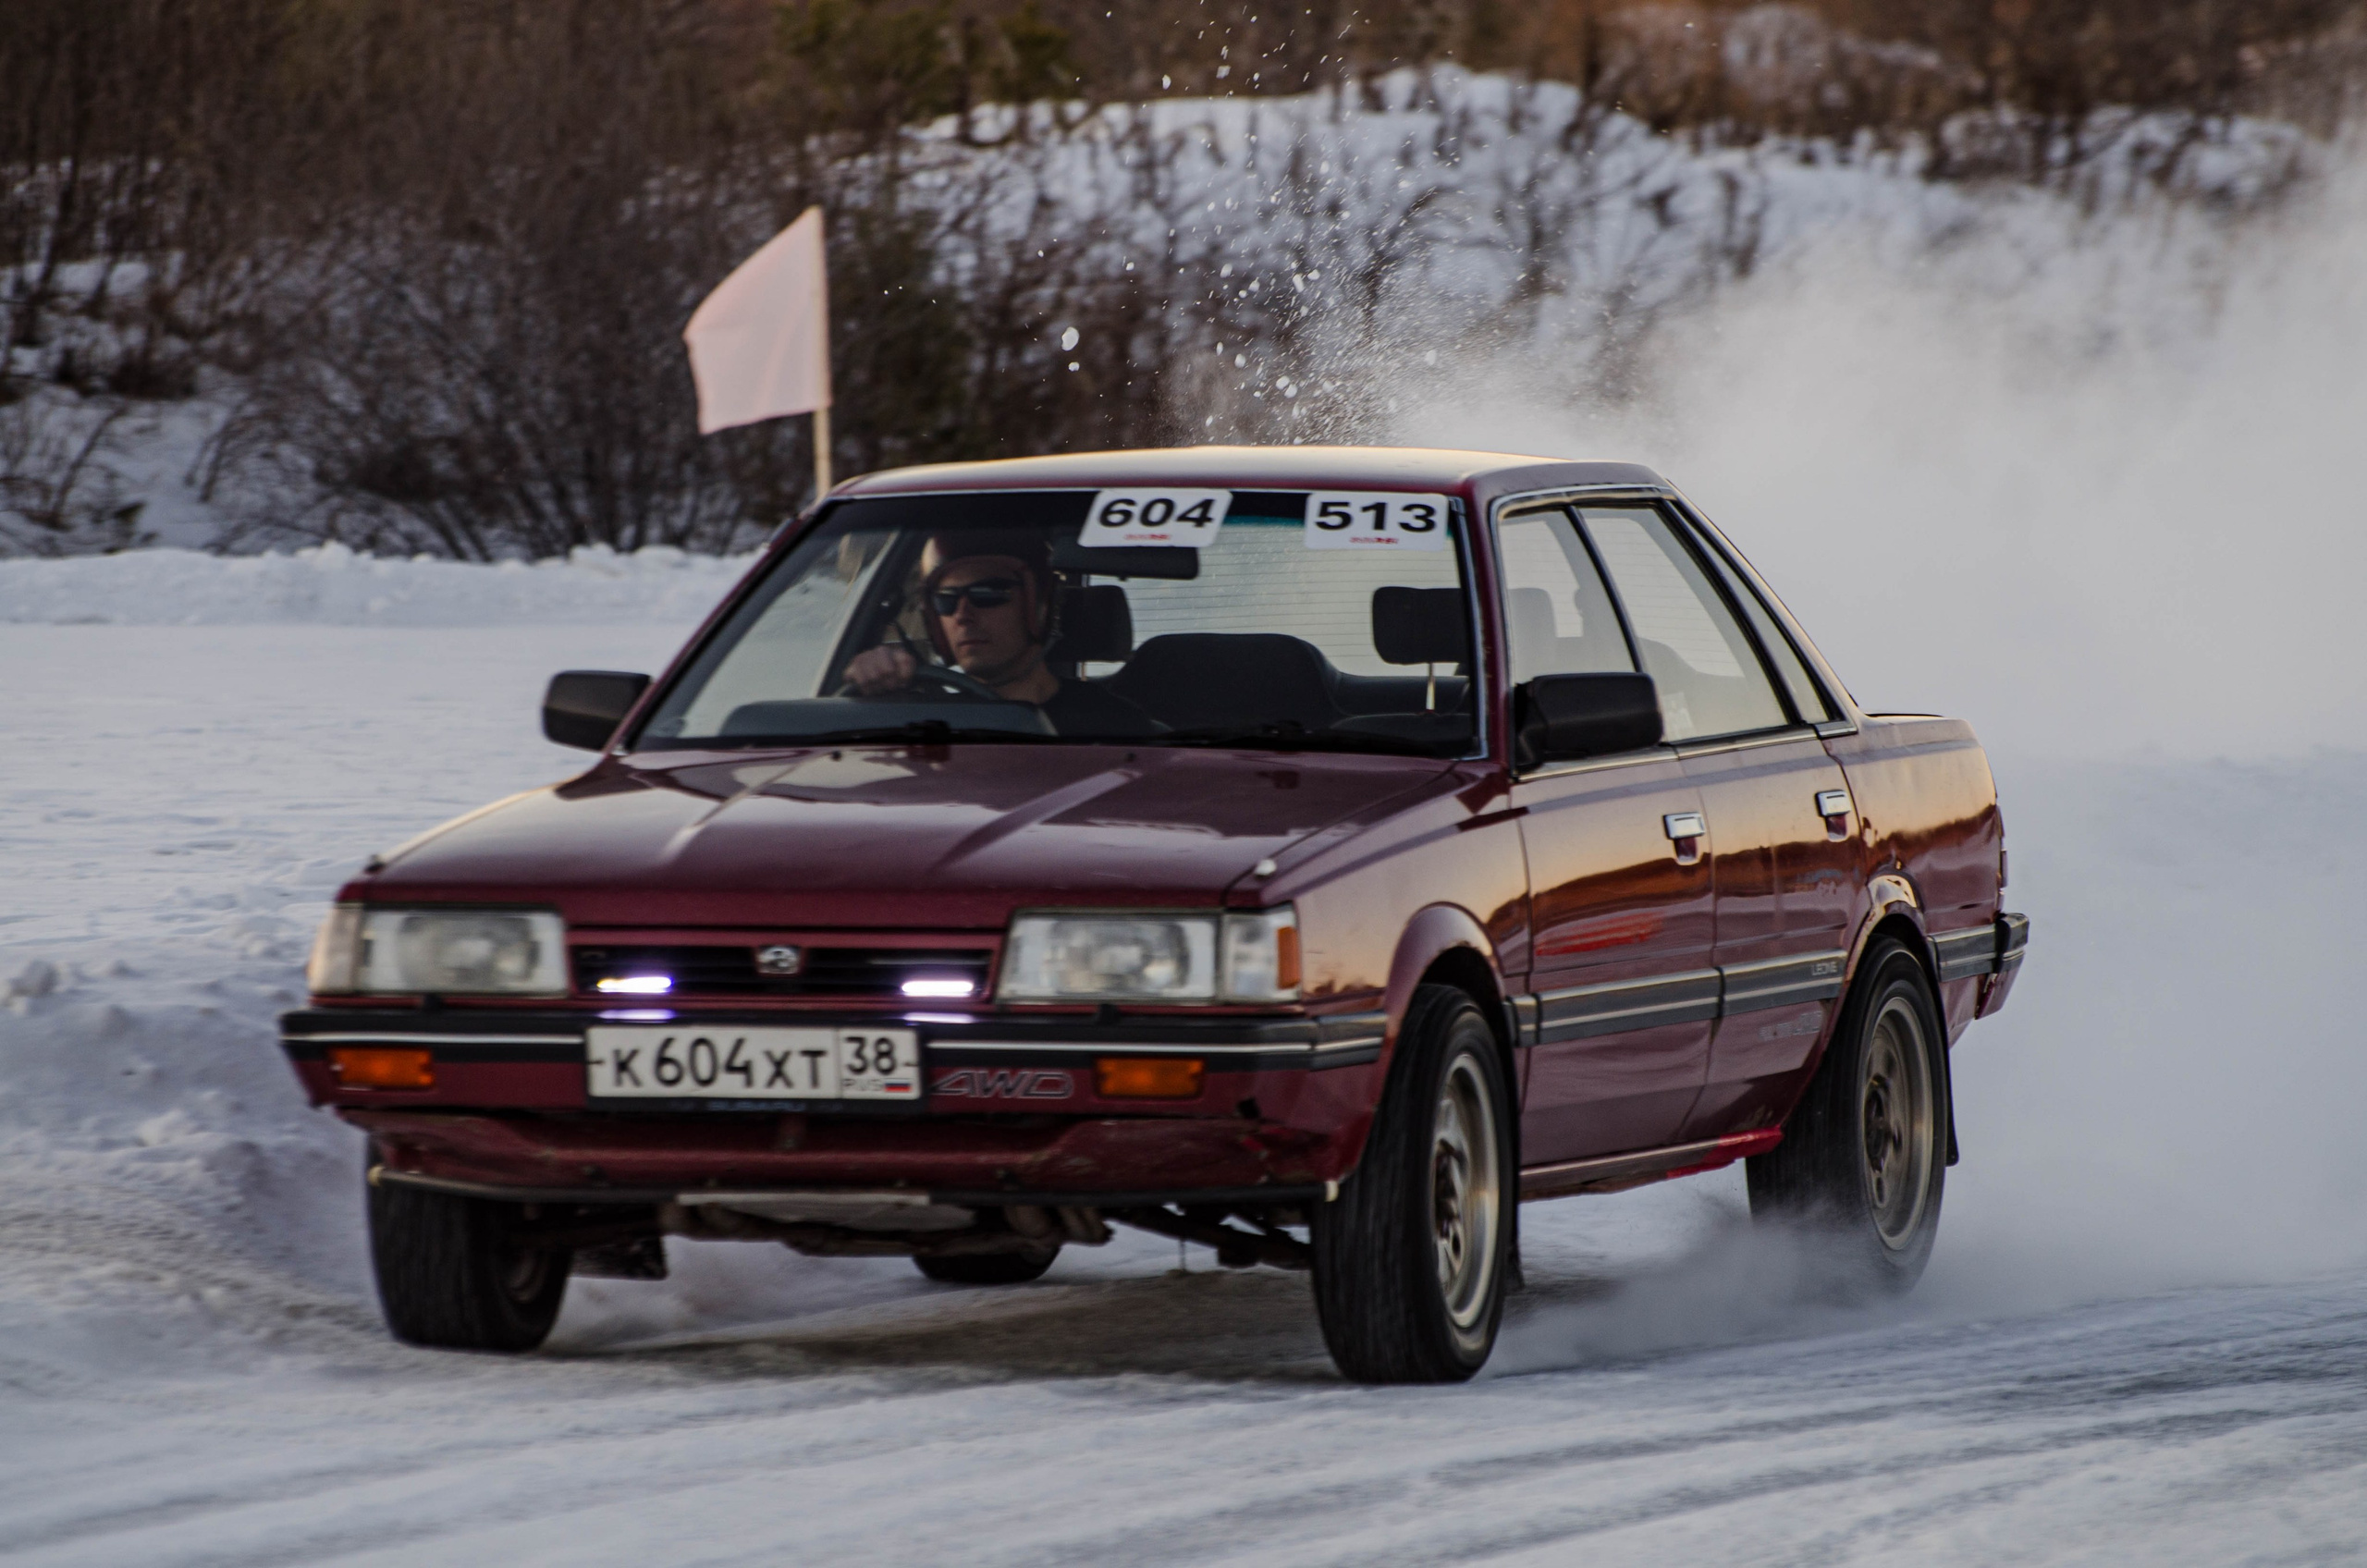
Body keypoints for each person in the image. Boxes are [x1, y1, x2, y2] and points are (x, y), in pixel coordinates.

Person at [842, 530, 1157, 736]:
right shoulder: (926, 723)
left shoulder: (1115, 727)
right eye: (946, 601)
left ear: (1041, 606)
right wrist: (872, 691)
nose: (963, 615)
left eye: (987, 593)